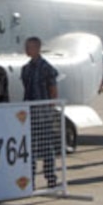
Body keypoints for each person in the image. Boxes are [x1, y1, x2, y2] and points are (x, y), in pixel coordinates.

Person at [21, 36, 59, 188]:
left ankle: (51, 178)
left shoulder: (46, 68)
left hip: (43, 115)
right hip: (29, 114)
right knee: (30, 148)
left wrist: (49, 107)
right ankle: (31, 179)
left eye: (29, 46)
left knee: (46, 148)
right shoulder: (26, 69)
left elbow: (53, 90)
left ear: (37, 48)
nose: (27, 49)